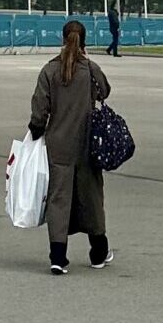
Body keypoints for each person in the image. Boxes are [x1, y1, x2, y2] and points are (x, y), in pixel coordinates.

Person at [28, 20, 111, 274]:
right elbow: (105, 92)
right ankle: (98, 251)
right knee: (92, 197)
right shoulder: (90, 69)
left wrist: (36, 128)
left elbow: (40, 107)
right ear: (84, 40)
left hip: (59, 144)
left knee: (58, 198)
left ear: (62, 38)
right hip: (87, 144)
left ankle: (58, 255)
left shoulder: (50, 70)